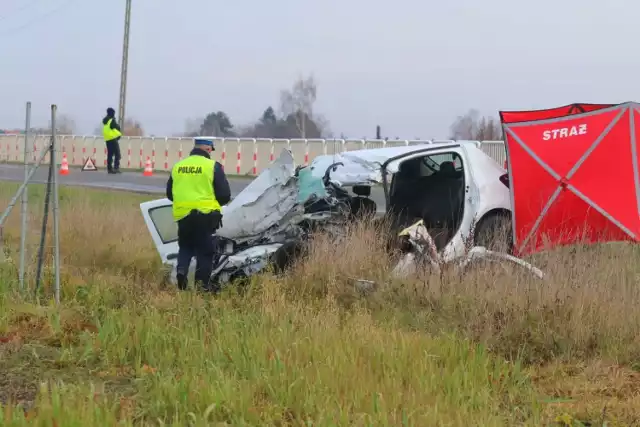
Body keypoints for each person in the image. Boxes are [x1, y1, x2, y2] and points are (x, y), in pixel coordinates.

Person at [165, 138, 231, 291]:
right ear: (208, 149)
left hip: (183, 215)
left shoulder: (178, 166)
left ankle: (181, 271)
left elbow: (170, 193)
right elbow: (224, 195)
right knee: (205, 251)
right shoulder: (212, 166)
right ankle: (202, 286)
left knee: (186, 246)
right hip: (205, 215)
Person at [102, 108, 123, 174]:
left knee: (110, 154)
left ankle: (109, 169)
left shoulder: (106, 121)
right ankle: (116, 168)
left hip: (107, 139)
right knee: (117, 154)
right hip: (113, 138)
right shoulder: (111, 120)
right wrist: (119, 134)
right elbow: (116, 128)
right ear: (112, 113)